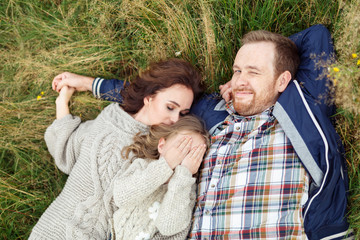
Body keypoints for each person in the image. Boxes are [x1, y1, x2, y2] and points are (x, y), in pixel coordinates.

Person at [53, 25, 352, 239]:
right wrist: (89, 83)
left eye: (254, 72)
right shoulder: (210, 114)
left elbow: (317, 36)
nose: (239, 80)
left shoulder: (305, 104)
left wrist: (270, 67)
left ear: (283, 79)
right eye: (236, 71)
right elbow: (155, 100)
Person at [29, 59, 205, 240]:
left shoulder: (162, 149)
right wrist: (62, 102)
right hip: (53, 227)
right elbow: (68, 150)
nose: (175, 119)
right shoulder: (110, 117)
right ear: (149, 97)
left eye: (183, 113)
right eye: (170, 107)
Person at [111, 115, 209, 240]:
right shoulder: (143, 165)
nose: (184, 157)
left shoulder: (186, 189)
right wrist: (166, 164)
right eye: (181, 147)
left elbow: (168, 227)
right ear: (162, 146)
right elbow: (121, 197)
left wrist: (184, 174)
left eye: (194, 155)